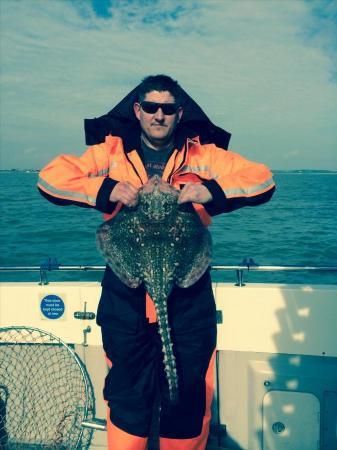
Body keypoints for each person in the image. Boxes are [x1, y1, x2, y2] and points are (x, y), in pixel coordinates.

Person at [37, 74, 275, 450]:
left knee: (190, 391)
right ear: (138, 110)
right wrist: (106, 189)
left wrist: (208, 190)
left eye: (167, 109)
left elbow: (260, 180)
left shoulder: (202, 155)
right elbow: (51, 179)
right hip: (126, 293)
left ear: (179, 114)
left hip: (188, 293)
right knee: (128, 393)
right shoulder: (112, 151)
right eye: (151, 107)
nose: (158, 115)